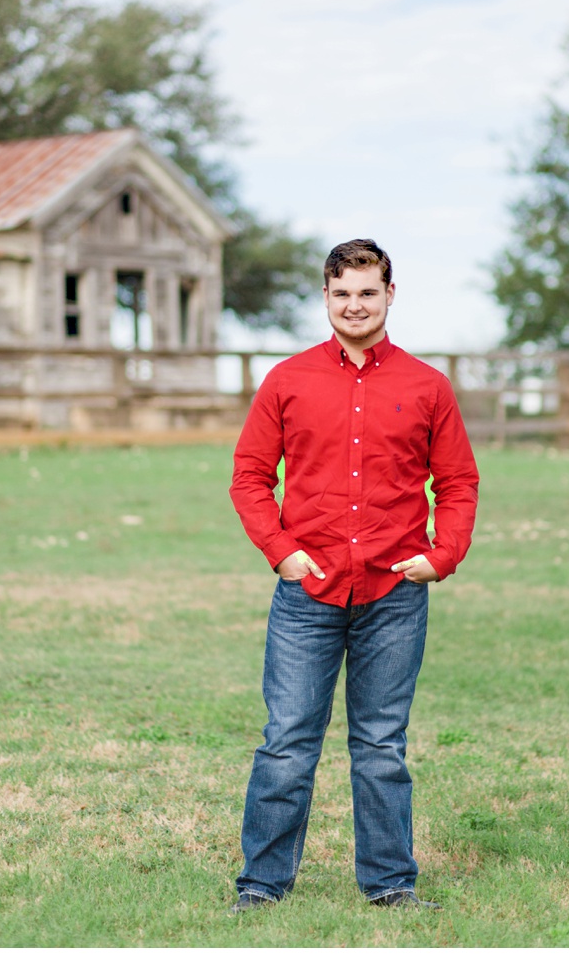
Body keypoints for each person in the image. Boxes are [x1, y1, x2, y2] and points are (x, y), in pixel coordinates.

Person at [228, 238, 479, 913]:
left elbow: (457, 480)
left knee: (380, 746)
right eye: (342, 293)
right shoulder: (287, 380)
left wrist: (442, 553)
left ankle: (392, 883)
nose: (355, 304)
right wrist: (280, 550)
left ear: (390, 295)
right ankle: (261, 886)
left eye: (368, 291)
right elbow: (250, 476)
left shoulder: (428, 386)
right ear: (325, 298)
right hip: (307, 590)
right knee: (285, 743)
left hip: (394, 593)